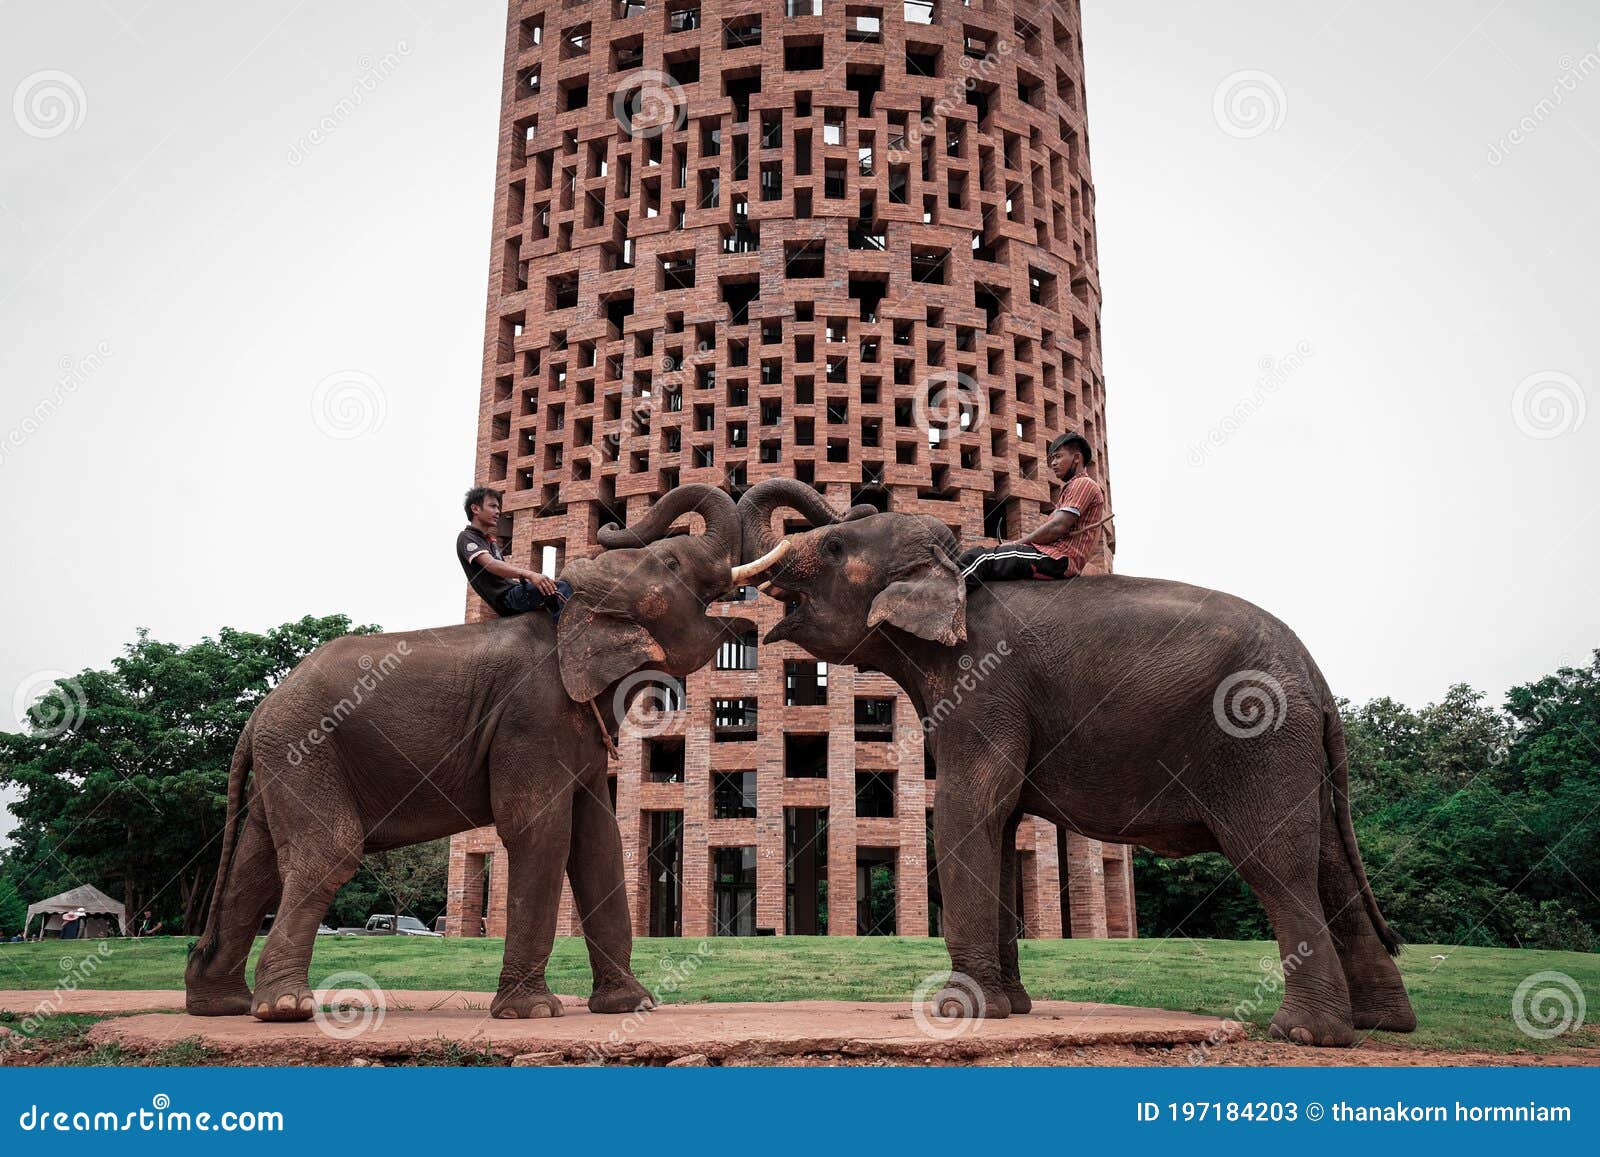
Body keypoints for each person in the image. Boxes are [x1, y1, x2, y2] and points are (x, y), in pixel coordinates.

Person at [957, 431, 1112, 588]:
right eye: (1052, 458)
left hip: (1057, 558)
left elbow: (1058, 526)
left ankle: (942, 609)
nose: (1053, 463)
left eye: (1058, 456)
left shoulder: (1083, 484)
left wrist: (1017, 543)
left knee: (978, 558)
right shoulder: (1073, 487)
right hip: (1056, 557)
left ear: (1076, 458)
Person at [457, 487, 571, 620]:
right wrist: (530, 574)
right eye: (492, 506)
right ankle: (576, 631)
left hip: (514, 592)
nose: (497, 512)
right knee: (559, 588)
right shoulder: (467, 537)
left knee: (554, 595)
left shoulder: (490, 542)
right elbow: (490, 564)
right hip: (507, 598)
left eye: (498, 508)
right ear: (475, 509)